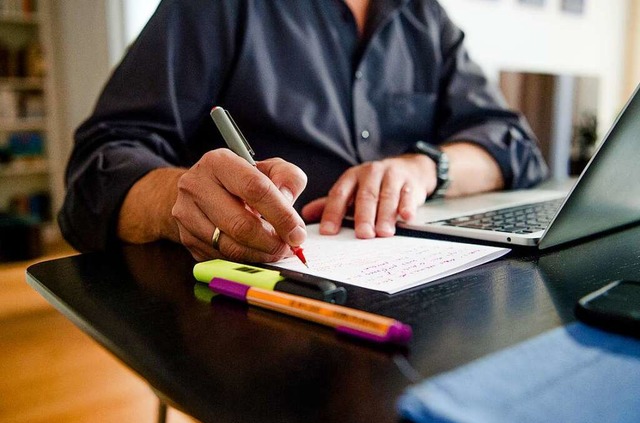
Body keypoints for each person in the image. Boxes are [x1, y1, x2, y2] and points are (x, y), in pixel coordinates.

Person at [59, 0, 548, 263]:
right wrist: (176, 200)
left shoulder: (425, 17)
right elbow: (97, 170)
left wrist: (424, 168)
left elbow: (513, 144)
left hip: (416, 297)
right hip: (255, 320)